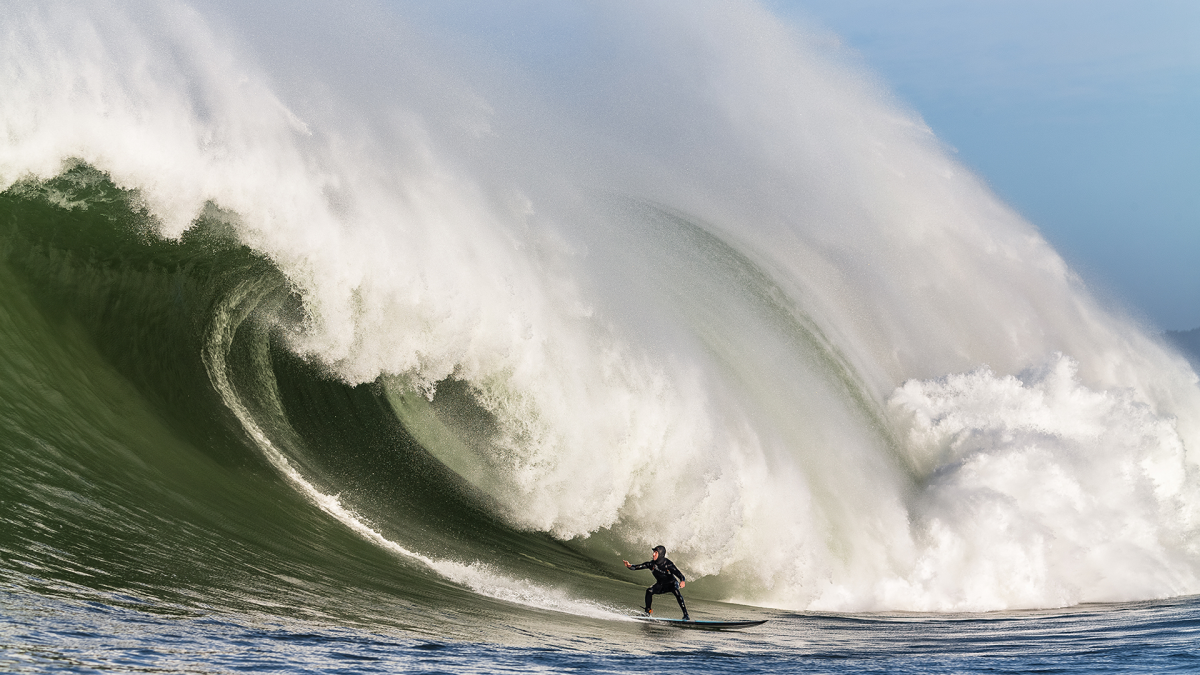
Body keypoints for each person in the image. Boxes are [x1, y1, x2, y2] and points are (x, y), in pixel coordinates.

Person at [623, 545, 689, 620]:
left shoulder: (668, 564)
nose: (653, 554)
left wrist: (682, 581)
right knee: (649, 591)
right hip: (661, 585)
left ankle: (686, 615)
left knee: (676, 592)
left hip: (672, 584)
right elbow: (636, 567)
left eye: (656, 552)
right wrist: (629, 566)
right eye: (653, 552)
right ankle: (647, 613)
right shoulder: (651, 564)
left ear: (660, 554)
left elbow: (680, 575)